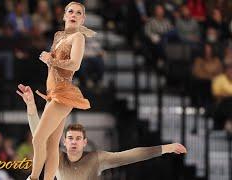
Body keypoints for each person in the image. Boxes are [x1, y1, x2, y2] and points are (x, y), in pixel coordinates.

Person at [16, 84, 187, 180]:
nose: (74, 142)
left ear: (84, 142)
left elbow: (130, 156)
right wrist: (31, 106)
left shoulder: (96, 159)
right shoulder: (58, 159)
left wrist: (165, 148)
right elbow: (40, 135)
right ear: (64, 142)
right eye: (70, 138)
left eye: (77, 138)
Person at [18, 2, 96, 180]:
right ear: (64, 15)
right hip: (52, 93)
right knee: (52, 145)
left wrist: (51, 60)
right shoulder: (58, 36)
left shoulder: (78, 37)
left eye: (78, 13)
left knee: (38, 140)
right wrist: (49, 61)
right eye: (70, 11)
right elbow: (55, 65)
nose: (74, 15)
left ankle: (33, 178)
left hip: (64, 93)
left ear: (82, 18)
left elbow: (75, 64)